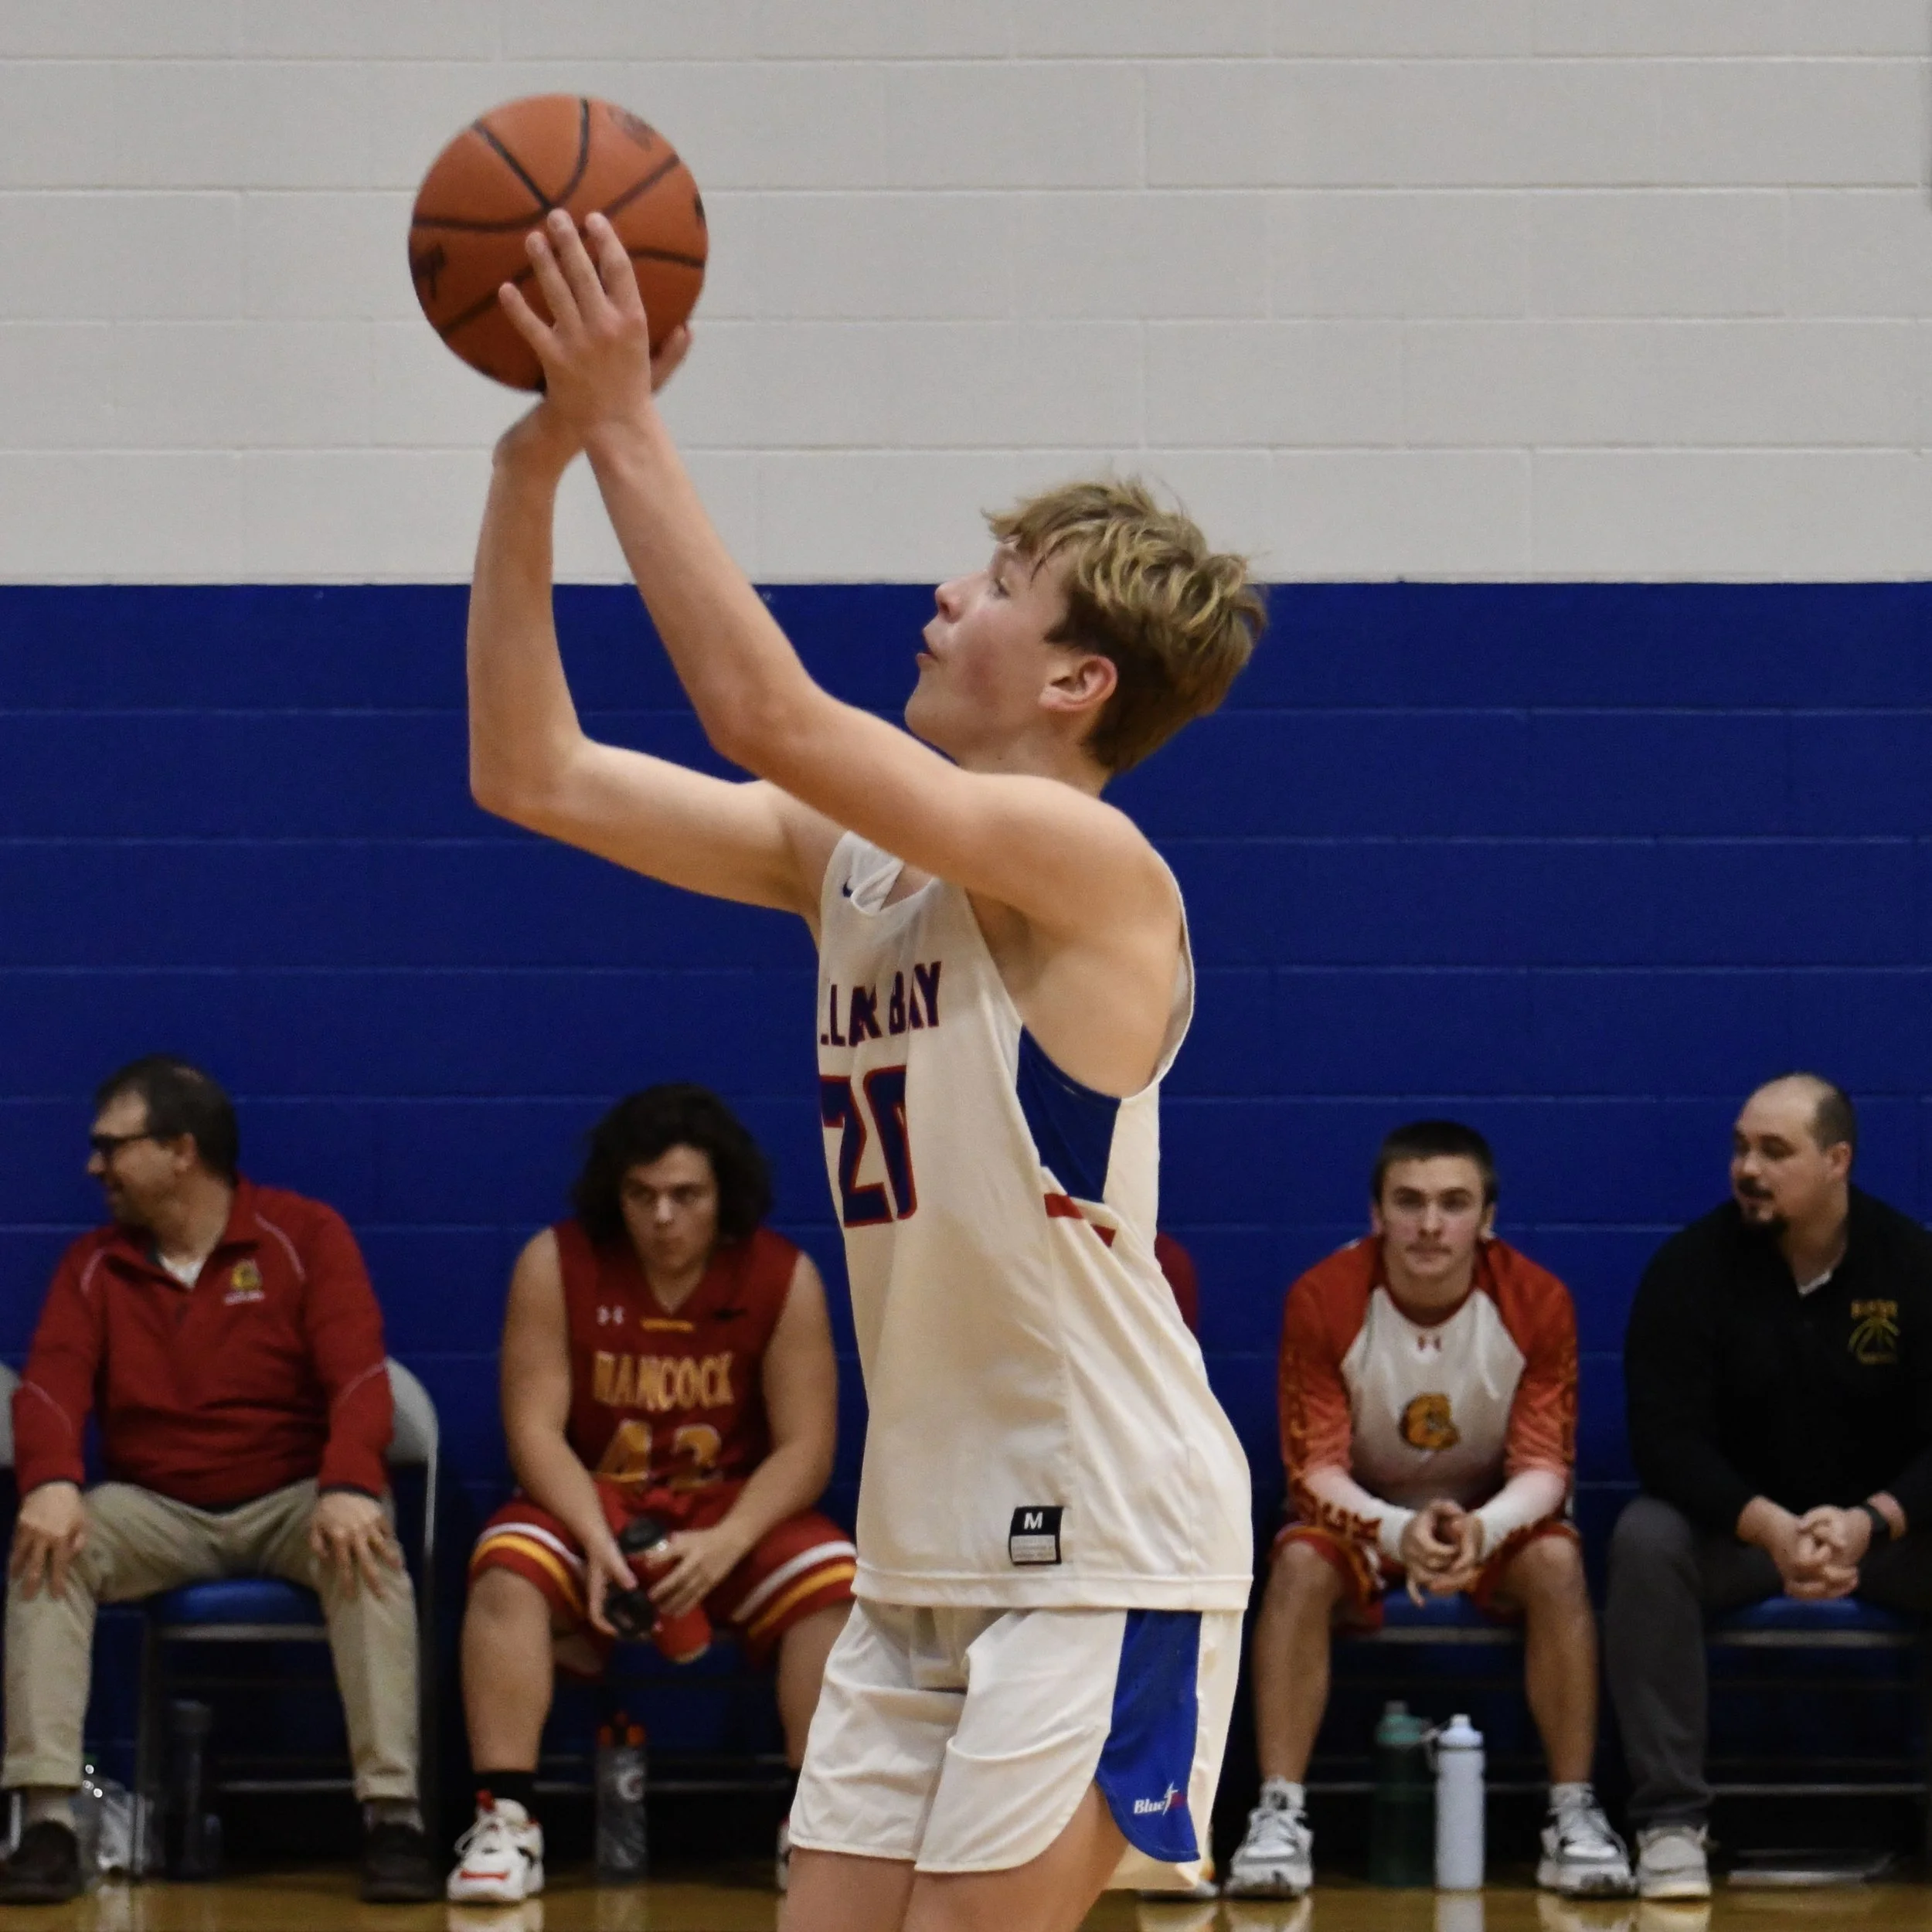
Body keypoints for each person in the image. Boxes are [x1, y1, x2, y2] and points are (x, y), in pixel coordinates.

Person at [464, 209, 1260, 1932]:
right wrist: (533, 462)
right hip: (921, 1543)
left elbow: (758, 708)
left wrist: (624, 416)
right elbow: (528, 770)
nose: (939, 592)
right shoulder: (856, 857)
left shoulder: (1096, 873)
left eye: (988, 584)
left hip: (1101, 1541)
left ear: (1072, 676)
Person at [1, 1057, 437, 1905]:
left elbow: (359, 1380)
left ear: (180, 1151)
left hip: (289, 1497)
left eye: (109, 1147)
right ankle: (48, 1818)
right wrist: (51, 1481)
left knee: (370, 1543)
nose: (94, 1167)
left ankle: (394, 1818)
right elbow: (51, 1387)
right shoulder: (94, 1266)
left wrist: (348, 1482)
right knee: (46, 1550)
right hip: (155, 1506)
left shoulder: (304, 1236)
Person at [447, 1084, 855, 1905]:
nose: (662, 1216)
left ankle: (813, 1824)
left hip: (725, 1511)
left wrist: (728, 1542)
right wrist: (596, 1538)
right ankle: (508, 1820)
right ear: (615, 1195)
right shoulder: (555, 1263)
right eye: (642, 1195)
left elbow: (808, 1447)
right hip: (596, 1503)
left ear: (722, 1196)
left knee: (836, 1582)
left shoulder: (782, 1275)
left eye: (685, 1195)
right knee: (504, 1565)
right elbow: (534, 1433)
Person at [1226, 1121, 1631, 1901]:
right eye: (1408, 1202)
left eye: (1453, 1203)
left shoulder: (1537, 1300)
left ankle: (1573, 1812)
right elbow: (1311, 1470)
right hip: (1362, 1522)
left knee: (1556, 1559)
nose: (1429, 1224)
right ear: (1376, 1213)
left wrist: (1479, 1530)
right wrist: (1394, 1530)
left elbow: (1547, 1467)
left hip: (1489, 1517)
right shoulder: (1321, 1297)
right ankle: (1277, 1813)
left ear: (1486, 1219)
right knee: (1298, 1561)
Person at [1607, 1073, 1932, 1902]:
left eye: (1772, 1151)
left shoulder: (1912, 1265)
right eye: (1739, 1147)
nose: (1746, 1167)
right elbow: (1663, 1441)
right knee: (1645, 1538)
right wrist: (1770, 1528)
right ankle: (1669, 1821)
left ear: (1837, 1161)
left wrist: (1874, 1519)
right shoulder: (1688, 1269)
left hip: (1884, 1540)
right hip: (1738, 1539)